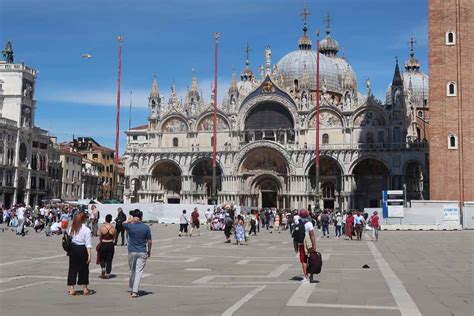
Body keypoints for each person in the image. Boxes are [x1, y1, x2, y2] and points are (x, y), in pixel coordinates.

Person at [123, 210, 152, 298]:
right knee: (139, 272)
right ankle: (134, 291)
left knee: (132, 271)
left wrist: (130, 220)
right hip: (142, 251)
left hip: (132, 251)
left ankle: (132, 287)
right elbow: (149, 241)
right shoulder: (146, 227)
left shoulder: (130, 226)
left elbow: (122, 223)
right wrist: (149, 251)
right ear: (141, 217)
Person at [67, 212, 94, 296]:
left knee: (72, 268)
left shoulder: (73, 227)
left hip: (73, 248)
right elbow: (88, 244)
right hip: (82, 249)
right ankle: (85, 288)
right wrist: (89, 255)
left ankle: (71, 289)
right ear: (84, 220)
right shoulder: (87, 230)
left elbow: (69, 237)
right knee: (84, 269)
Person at [292, 209, 316, 283]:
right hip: (309, 244)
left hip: (301, 244)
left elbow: (294, 235)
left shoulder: (297, 223)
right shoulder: (309, 224)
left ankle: (306, 277)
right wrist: (314, 245)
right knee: (311, 260)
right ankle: (311, 275)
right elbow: (312, 235)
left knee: (304, 261)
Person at [98, 214, 116, 279]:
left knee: (102, 258)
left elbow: (100, 237)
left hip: (103, 243)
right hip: (110, 244)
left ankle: (103, 268)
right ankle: (108, 273)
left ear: (105, 219)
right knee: (109, 259)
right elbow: (114, 237)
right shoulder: (113, 228)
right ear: (111, 220)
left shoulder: (102, 227)